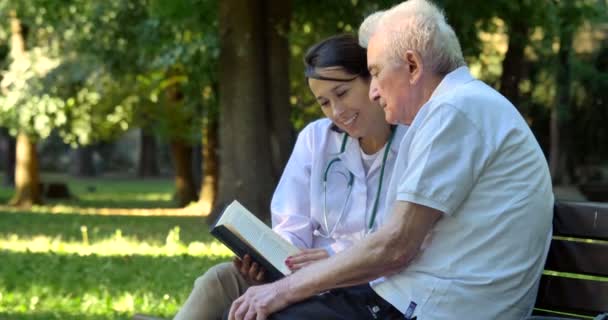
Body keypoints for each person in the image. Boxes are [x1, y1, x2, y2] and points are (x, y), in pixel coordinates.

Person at [227, 0, 554, 319]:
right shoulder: (458, 107)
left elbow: (395, 247)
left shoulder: (455, 110)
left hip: (440, 305)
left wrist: (282, 290)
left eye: (376, 72)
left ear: (412, 66)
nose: (373, 92)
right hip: (421, 296)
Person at [172, 34, 407, 320]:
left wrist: (336, 256)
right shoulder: (316, 139)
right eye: (324, 102)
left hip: (366, 285)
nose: (337, 111)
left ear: (372, 81)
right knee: (221, 280)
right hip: (301, 274)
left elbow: (399, 240)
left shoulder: (412, 143)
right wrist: (269, 259)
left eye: (342, 94)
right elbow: (291, 222)